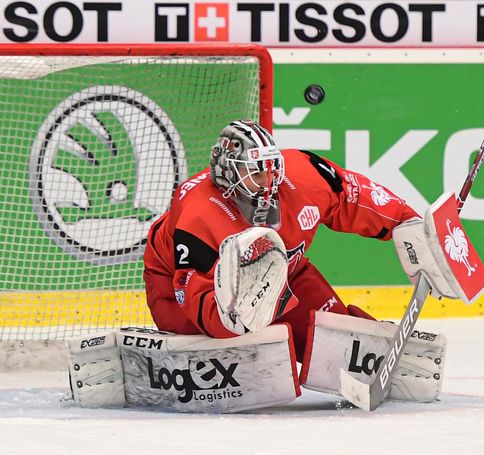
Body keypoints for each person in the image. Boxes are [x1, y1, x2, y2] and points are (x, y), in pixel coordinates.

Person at [142, 119, 420, 359]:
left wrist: (410, 224)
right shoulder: (199, 215)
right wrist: (236, 321)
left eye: (271, 170)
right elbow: (194, 294)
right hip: (175, 285)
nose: (268, 182)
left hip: (284, 272)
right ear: (227, 172)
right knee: (225, 352)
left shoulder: (302, 177)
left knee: (339, 343)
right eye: (256, 173)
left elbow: (352, 197)